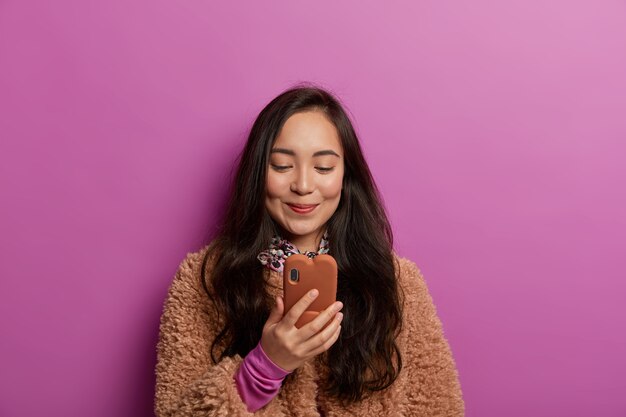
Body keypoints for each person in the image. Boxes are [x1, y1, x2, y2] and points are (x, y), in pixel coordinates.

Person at [154, 84, 465, 416]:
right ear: (259, 173)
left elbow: (438, 407)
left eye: (323, 168)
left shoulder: (396, 282)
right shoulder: (205, 281)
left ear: (346, 177)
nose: (303, 186)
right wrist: (265, 367)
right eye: (282, 166)